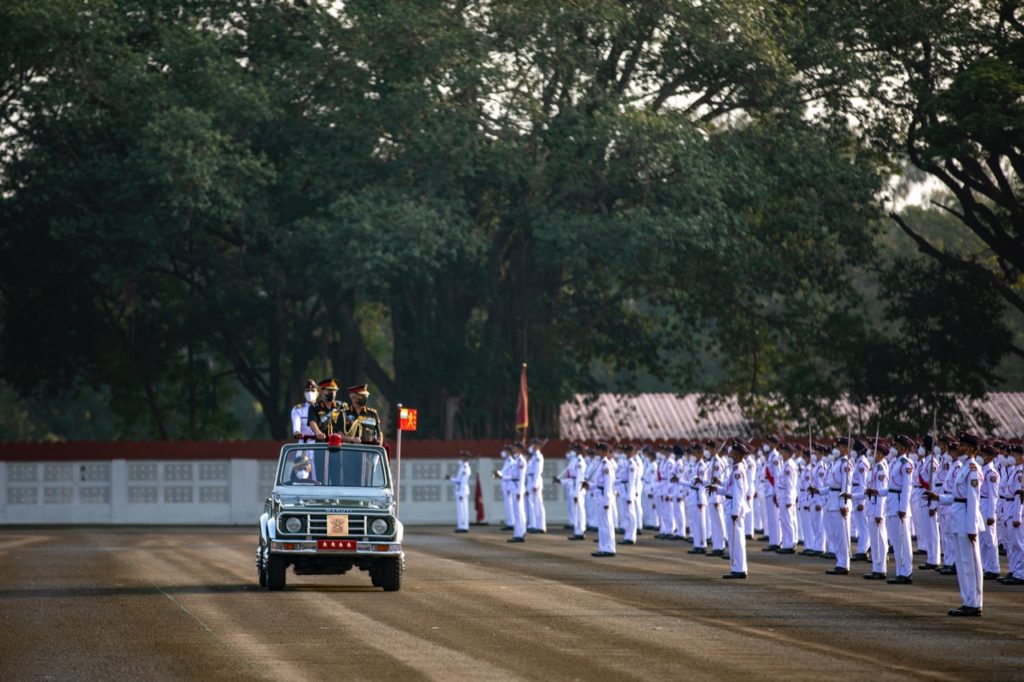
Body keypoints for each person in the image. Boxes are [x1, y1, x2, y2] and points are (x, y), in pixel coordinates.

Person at [939, 435, 984, 616]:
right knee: (963, 563)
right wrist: (939, 498)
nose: (959, 447)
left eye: (964, 445)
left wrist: (972, 528)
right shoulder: (963, 468)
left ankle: (974, 603)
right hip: (959, 518)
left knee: (970, 563)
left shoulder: (973, 469)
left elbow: (972, 500)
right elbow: (957, 497)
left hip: (967, 520)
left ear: (972, 450)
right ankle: (968, 601)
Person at [824, 440, 855, 575]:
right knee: (835, 534)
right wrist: (818, 490)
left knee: (842, 534)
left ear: (848, 449)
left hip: (839, 500)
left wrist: (844, 503)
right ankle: (839, 561)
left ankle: (844, 564)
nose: (841, 449)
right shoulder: (837, 463)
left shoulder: (846, 464)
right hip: (832, 499)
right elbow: (831, 484)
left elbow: (846, 485)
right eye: (840, 447)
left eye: (843, 447)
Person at [886, 444, 915, 584]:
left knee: (903, 540)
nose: (894, 448)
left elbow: (907, 487)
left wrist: (903, 507)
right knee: (896, 541)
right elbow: (891, 486)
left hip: (899, 504)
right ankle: (899, 571)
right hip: (892, 502)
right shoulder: (896, 462)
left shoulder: (906, 464)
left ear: (904, 448)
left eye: (897, 446)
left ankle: (906, 572)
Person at [723, 443, 750, 579]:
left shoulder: (738, 471)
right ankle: (737, 568)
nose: (730, 455)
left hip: (734, 507)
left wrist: (735, 512)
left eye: (732, 453)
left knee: (736, 540)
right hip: (731, 504)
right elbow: (729, 490)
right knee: (734, 539)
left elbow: (738, 493)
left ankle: (739, 569)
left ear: (738, 455)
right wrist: (715, 488)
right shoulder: (734, 470)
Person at [587, 443, 617, 557]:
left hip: (604, 496)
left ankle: (609, 548)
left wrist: (607, 501)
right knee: (602, 523)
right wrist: (589, 485)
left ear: (605, 451)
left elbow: (608, 484)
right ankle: (603, 547)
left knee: (606, 523)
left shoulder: (606, 465)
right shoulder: (602, 464)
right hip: (600, 494)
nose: (598, 452)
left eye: (600, 450)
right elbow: (598, 483)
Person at [863, 445, 888, 579]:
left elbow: (881, 493)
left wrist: (879, 513)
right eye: (874, 453)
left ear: (882, 455)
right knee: (874, 540)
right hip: (870, 507)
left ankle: (881, 568)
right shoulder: (874, 468)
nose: (875, 455)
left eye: (877, 453)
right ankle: (876, 568)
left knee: (880, 539)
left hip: (876, 508)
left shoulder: (880, 470)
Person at [524, 438, 546, 533]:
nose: (532, 446)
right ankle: (533, 524)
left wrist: (535, 484)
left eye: (534, 444)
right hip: (530, 479)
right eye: (532, 444)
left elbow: (537, 471)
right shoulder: (533, 457)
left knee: (538, 504)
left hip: (535, 480)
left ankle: (541, 526)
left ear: (538, 446)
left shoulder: (538, 457)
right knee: (531, 504)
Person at [446, 451, 472, 532]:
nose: (461, 458)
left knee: (463, 509)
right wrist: (450, 479)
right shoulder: (462, 467)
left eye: (462, 456)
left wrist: (461, 492)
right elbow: (458, 479)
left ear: (465, 458)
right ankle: (461, 526)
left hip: (462, 490)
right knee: (460, 509)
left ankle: (464, 526)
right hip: (460, 489)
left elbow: (463, 481)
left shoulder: (465, 468)